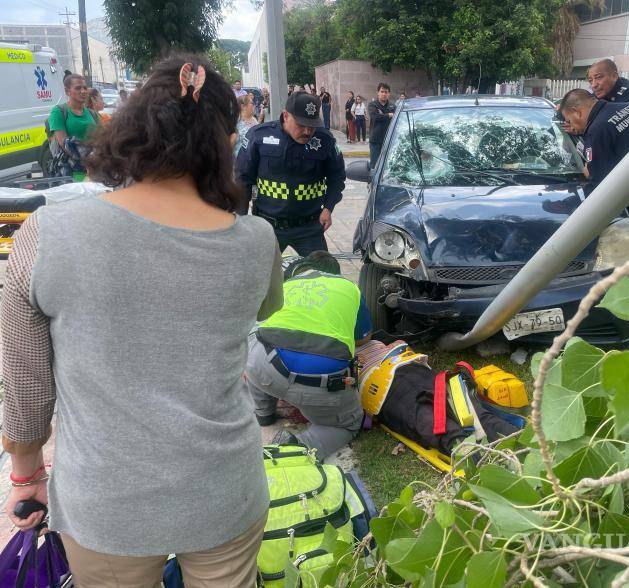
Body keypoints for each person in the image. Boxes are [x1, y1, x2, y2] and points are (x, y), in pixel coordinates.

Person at [3, 54, 282, 586]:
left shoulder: (49, 233)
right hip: (225, 491)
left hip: (107, 503)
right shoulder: (256, 241)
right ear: (222, 146)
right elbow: (262, 310)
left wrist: (25, 473)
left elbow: (25, 382)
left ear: (132, 129)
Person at [560, 88, 629, 323]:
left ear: (577, 111)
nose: (572, 125)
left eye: (570, 120)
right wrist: (580, 135)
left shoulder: (598, 129)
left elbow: (599, 184)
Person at [246, 251, 371, 459]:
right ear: (336, 274)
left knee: (257, 338)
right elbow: (363, 338)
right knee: (349, 424)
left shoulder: (287, 285)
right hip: (316, 379)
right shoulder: (350, 289)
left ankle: (263, 413)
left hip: (260, 364)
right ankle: (295, 448)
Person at [356, 339, 519, 454]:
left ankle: (521, 447)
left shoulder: (357, 350)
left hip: (408, 378)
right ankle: (491, 457)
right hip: (390, 391)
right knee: (447, 426)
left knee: (466, 417)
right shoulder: (346, 358)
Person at [237, 91, 346, 256]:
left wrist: (328, 208)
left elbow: (337, 177)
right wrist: (241, 219)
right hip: (267, 225)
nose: (308, 131)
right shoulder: (259, 136)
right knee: (258, 278)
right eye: (301, 125)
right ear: (285, 115)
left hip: (309, 227)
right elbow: (243, 178)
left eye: (312, 125)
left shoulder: (325, 140)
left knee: (326, 275)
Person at [47, 74, 99, 180]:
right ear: (67, 91)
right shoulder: (58, 111)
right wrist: (89, 160)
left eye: (85, 88)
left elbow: (102, 139)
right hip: (72, 172)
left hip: (95, 170)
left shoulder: (92, 113)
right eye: (78, 88)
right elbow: (64, 144)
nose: (83, 91)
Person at [368, 82, 395, 167]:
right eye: (382, 91)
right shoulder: (372, 105)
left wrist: (381, 115)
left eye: (386, 92)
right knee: (375, 165)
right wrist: (388, 115)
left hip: (389, 141)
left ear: (389, 94)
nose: (384, 94)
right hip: (375, 141)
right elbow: (375, 117)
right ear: (378, 93)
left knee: (388, 166)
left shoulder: (393, 106)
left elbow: (395, 119)